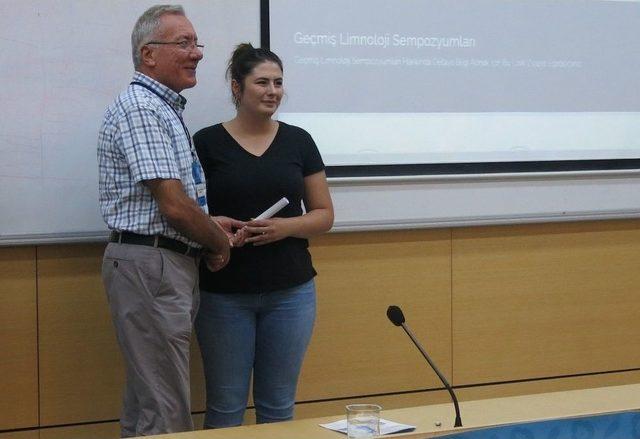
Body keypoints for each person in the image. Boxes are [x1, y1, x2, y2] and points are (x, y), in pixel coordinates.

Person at [97, 5, 240, 437]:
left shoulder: (163, 107)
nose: (196, 53)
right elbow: (173, 207)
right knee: (166, 413)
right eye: (183, 43)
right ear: (148, 54)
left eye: (196, 43)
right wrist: (217, 240)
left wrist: (210, 225)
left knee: (149, 405)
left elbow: (172, 204)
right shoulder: (143, 108)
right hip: (151, 266)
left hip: (158, 264)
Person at [193, 43, 334, 428]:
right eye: (262, 82)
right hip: (223, 295)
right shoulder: (204, 143)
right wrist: (216, 232)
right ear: (237, 88)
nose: (273, 90)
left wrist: (283, 227)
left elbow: (324, 216)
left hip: (291, 292)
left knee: (277, 408)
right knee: (225, 407)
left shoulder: (299, 140)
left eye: (278, 82)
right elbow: (189, 214)